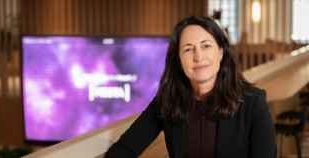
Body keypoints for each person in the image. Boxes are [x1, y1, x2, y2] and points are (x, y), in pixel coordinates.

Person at [105, 16, 277, 158]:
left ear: (220, 52)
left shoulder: (254, 103)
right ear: (179, 60)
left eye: (206, 46)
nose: (198, 56)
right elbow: (126, 148)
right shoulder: (168, 101)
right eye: (188, 49)